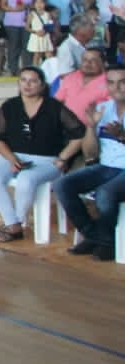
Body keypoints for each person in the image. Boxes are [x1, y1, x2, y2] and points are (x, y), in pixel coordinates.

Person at [0, 67, 87, 243]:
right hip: (12, 155)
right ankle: (13, 224)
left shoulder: (54, 107)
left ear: (42, 85)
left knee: (26, 179)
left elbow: (79, 134)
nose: (27, 85)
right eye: (23, 80)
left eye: (33, 81)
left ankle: (16, 223)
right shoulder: (9, 106)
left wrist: (63, 158)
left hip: (47, 160)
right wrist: (11, 159)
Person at [58, 64, 125, 261]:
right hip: (106, 166)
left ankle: (106, 244)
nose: (117, 88)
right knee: (63, 185)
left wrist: (122, 136)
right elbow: (90, 154)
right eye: (111, 83)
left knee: (106, 193)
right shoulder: (104, 110)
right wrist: (91, 127)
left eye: (122, 82)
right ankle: (94, 235)